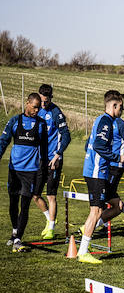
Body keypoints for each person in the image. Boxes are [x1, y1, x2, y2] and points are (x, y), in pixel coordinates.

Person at [76, 91, 121, 264]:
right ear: (114, 106)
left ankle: (86, 239)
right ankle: (83, 251)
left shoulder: (101, 120)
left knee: (117, 206)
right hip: (96, 172)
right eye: (120, 107)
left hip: (98, 170)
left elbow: (88, 144)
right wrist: (116, 158)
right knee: (95, 211)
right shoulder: (106, 122)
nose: (121, 111)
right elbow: (98, 145)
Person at [0, 93, 49, 252]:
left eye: (38, 107)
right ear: (27, 103)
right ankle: (14, 232)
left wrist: (44, 169)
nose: (37, 110)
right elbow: (3, 141)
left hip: (31, 172)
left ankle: (18, 239)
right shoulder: (15, 121)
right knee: (13, 203)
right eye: (34, 107)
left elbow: (45, 150)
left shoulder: (41, 125)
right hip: (14, 170)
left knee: (25, 205)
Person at [93, 91, 124, 233]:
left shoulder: (121, 124)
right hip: (105, 165)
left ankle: (100, 224)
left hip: (116, 166)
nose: (123, 109)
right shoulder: (103, 121)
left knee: (107, 195)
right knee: (108, 196)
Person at [31, 84, 70, 240]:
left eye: (46, 101)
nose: (43, 104)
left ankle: (51, 228)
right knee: (35, 195)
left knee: (51, 196)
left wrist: (58, 155)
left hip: (53, 160)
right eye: (42, 101)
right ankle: (49, 218)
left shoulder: (56, 112)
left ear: (51, 99)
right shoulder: (35, 110)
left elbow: (66, 136)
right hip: (39, 160)